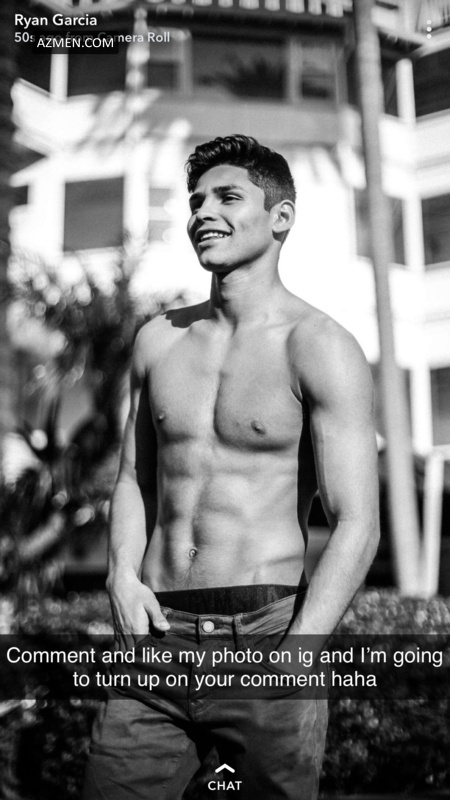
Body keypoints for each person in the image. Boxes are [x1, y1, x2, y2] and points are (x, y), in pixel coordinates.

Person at [82, 134, 379, 800]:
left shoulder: (320, 345)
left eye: (227, 197)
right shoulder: (158, 341)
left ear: (281, 217)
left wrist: (301, 653)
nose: (202, 213)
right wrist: (120, 577)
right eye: (195, 201)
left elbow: (356, 521)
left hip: (267, 636)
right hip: (156, 640)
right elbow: (134, 481)